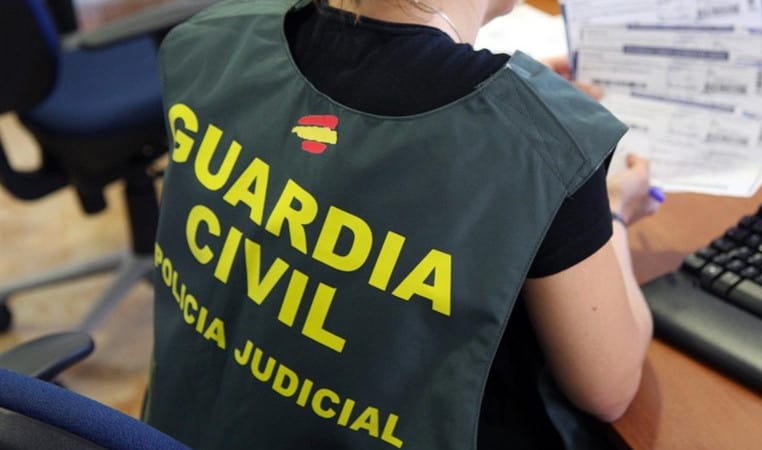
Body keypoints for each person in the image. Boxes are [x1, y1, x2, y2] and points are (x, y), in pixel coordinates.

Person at [143, 0, 660, 448]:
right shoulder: (545, 146)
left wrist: (500, 102)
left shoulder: (214, 37)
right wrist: (611, 213)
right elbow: (609, 389)